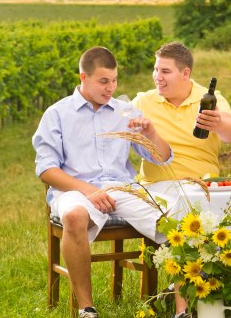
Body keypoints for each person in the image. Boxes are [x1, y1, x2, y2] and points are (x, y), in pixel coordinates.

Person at [33, 47, 173, 318]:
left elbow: (162, 158)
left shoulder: (124, 111)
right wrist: (90, 191)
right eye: (103, 81)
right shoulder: (58, 113)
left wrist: (150, 132)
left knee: (174, 218)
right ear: (83, 77)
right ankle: (87, 309)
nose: (111, 88)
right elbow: (46, 171)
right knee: (74, 216)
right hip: (74, 189)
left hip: (123, 189)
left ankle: (176, 297)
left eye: (115, 80)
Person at [132, 42, 231, 182]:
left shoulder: (211, 99)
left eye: (165, 71)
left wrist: (219, 125)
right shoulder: (142, 101)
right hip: (155, 191)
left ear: (185, 73)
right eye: (156, 69)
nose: (158, 77)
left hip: (201, 187)